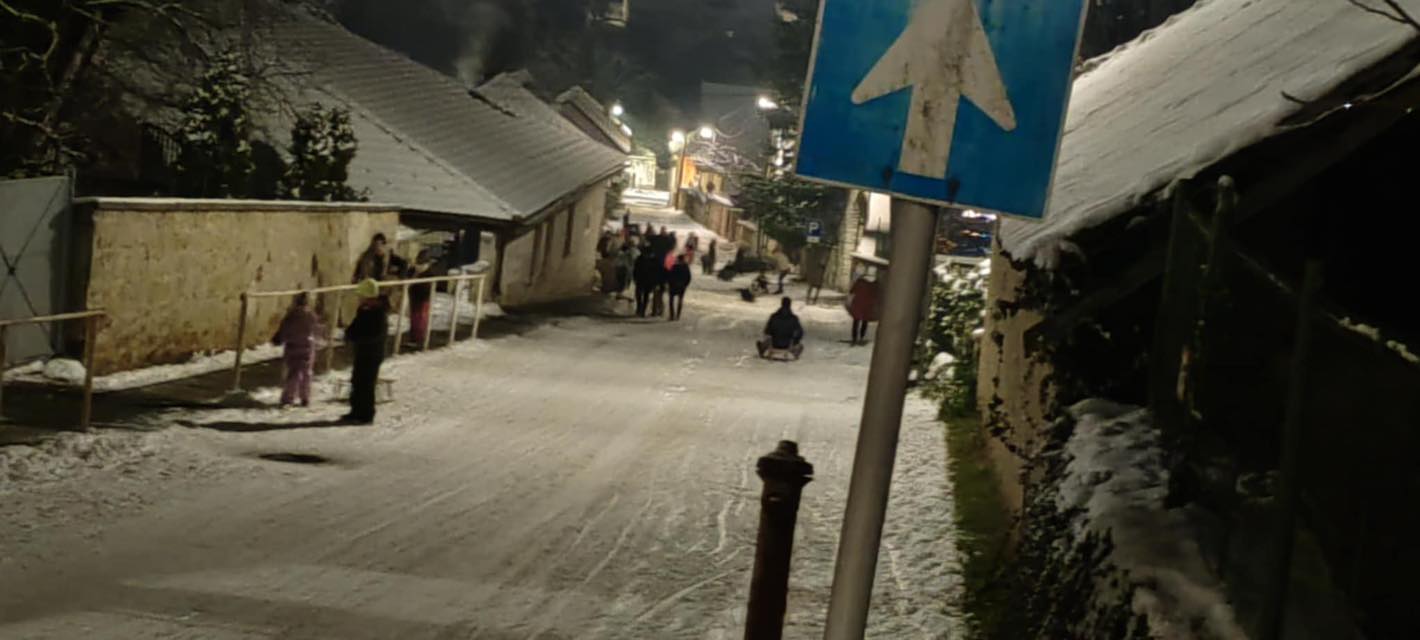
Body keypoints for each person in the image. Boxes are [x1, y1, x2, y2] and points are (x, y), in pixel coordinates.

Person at [343, 279, 389, 424]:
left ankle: (366, 414)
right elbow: (355, 326)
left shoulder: (379, 314)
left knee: (367, 384)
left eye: (363, 296)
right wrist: (349, 334)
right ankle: (356, 411)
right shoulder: (364, 311)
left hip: (372, 354)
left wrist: (358, 337)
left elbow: (374, 334)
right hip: (362, 351)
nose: (360, 299)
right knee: (357, 381)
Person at [272, 292, 320, 407]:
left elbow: (284, 329)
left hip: (293, 346)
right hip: (307, 346)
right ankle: (305, 397)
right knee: (306, 373)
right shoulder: (311, 315)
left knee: (293, 373)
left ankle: (288, 398)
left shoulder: (291, 316)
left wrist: (278, 339)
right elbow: (316, 329)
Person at [407, 250, 436, 347]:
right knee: (414, 318)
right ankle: (414, 338)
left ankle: (419, 339)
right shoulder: (413, 270)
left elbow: (429, 285)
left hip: (423, 297)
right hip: (415, 295)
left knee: (420, 318)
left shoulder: (429, 272)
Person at [847, 275, 881, 345]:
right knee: (865, 321)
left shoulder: (860, 282)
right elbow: (877, 295)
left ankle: (854, 338)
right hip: (868, 305)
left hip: (858, 304)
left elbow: (852, 291)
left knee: (856, 321)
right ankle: (862, 337)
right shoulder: (875, 284)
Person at [632, 247, 661, 317]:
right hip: (642, 279)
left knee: (645, 295)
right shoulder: (641, 259)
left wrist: (656, 281)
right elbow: (635, 269)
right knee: (640, 294)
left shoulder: (653, 260)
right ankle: (640, 308)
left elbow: (657, 272)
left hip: (647, 280)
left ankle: (642, 310)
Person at [667, 254, 693, 321]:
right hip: (682, 286)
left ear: (678, 259)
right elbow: (688, 277)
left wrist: (670, 284)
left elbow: (670, 276)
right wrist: (685, 285)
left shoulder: (674, 266)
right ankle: (678, 316)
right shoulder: (685, 267)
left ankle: (672, 315)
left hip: (673, 286)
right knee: (680, 300)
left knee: (671, 301)